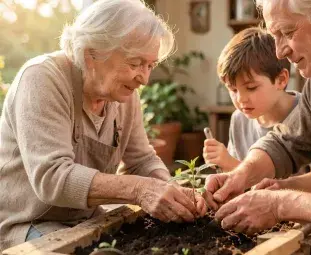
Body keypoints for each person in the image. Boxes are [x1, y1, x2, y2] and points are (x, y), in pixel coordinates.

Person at [0, 0, 206, 251]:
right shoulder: (42, 79)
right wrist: (140, 189)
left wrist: (170, 191)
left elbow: (141, 160)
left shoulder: (124, 95)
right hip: (27, 223)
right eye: (135, 63)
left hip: (85, 220)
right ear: (92, 54)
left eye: (150, 65)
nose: (145, 78)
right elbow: (51, 177)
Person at [203, 0, 311, 251]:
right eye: (274, 35)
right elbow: (286, 141)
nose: (279, 52)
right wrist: (240, 176)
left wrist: (279, 204)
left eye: (287, 33)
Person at [203, 27, 311, 193]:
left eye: (251, 87)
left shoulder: (309, 111)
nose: (241, 99)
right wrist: (223, 165)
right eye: (233, 90)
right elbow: (243, 185)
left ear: (281, 80)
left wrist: (232, 165)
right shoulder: (239, 119)